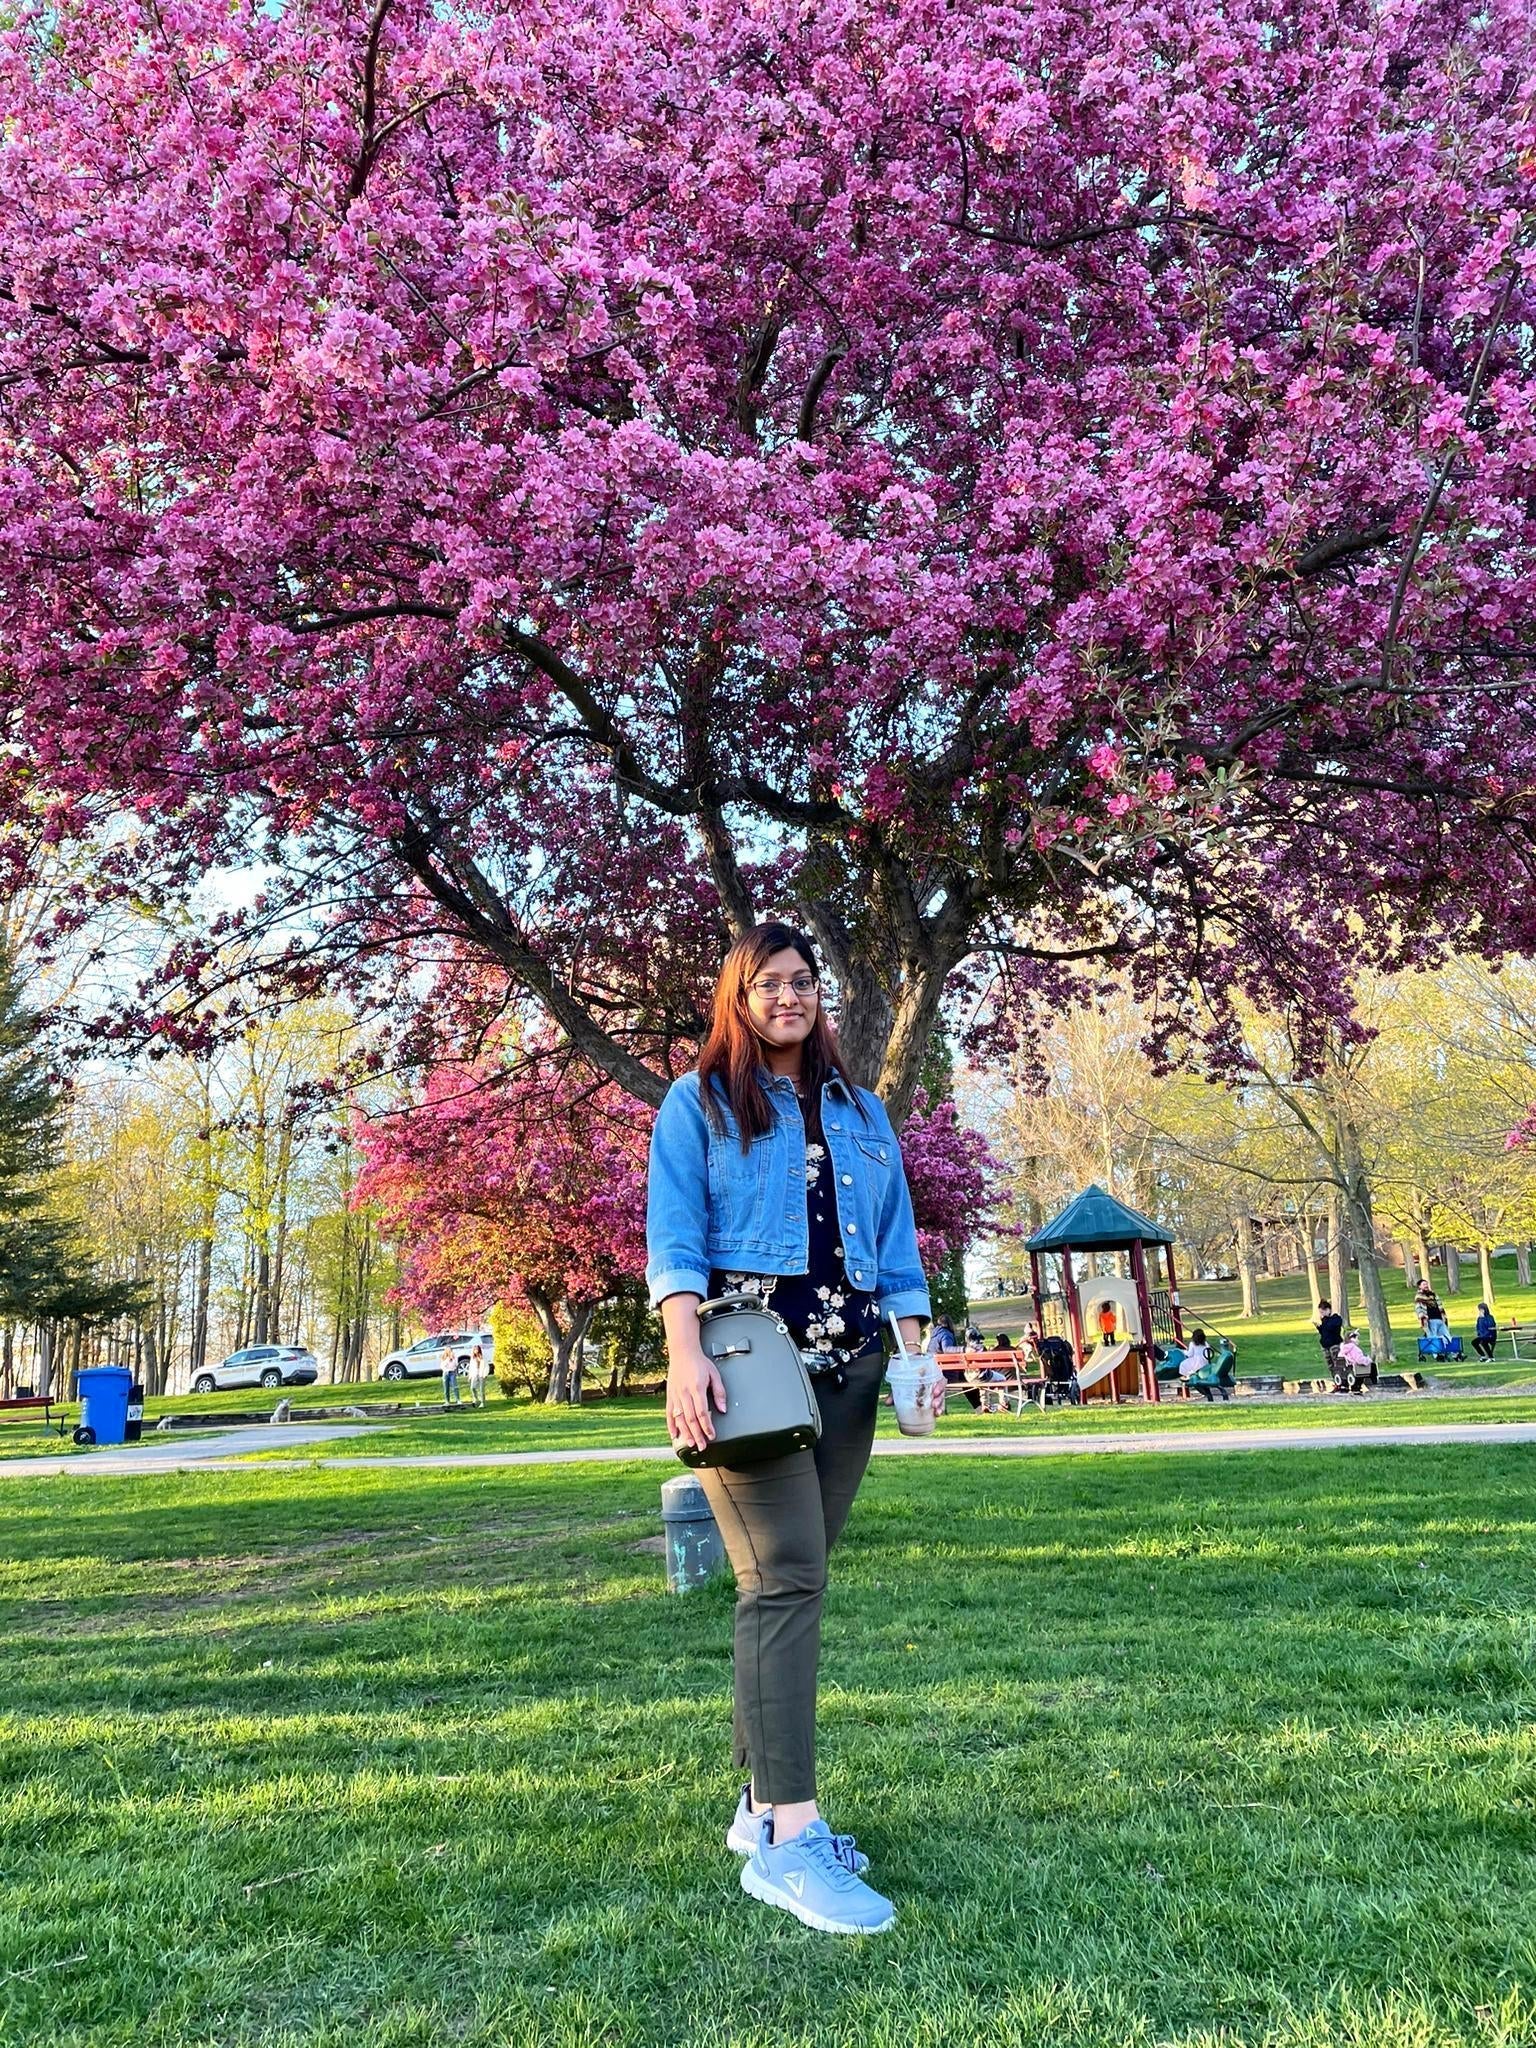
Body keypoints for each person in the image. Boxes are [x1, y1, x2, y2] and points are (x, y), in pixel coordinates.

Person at [646, 921, 930, 1936]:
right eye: (767, 981)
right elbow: (675, 1239)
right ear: (737, 994)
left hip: (850, 1371)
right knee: (788, 1581)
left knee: (791, 1586)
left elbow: (895, 1245)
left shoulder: (860, 1108)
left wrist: (917, 1356)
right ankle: (787, 1838)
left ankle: (754, 1802)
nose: (788, 996)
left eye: (802, 980)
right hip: (747, 1377)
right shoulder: (702, 1100)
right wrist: (683, 1355)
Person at [927, 1310, 979, 1410]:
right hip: (945, 1374)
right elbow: (947, 1349)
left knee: (965, 1379)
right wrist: (964, 1349)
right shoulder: (945, 1334)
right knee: (968, 1380)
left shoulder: (934, 1336)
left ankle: (979, 1407)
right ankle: (979, 1407)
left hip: (935, 1371)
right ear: (950, 1324)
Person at [1316, 1298, 1344, 1377]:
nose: (1321, 1314)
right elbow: (1324, 1332)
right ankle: (1335, 1378)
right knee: (1330, 1365)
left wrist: (1325, 1321)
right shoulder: (1324, 1321)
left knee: (1337, 1363)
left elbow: (1332, 1328)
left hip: (1334, 1344)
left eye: (1322, 1312)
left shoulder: (1335, 1319)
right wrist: (1319, 1327)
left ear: (1328, 1310)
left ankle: (1341, 1378)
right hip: (1326, 1345)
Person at [466, 1341, 490, 1407]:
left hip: (481, 1374)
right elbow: (471, 1367)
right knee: (472, 1388)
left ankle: (482, 1402)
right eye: (474, 1349)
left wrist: (485, 1374)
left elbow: (486, 1366)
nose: (476, 1351)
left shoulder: (483, 1357)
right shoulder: (472, 1358)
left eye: (477, 1349)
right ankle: (475, 1398)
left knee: (481, 1389)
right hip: (474, 1374)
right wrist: (469, 1376)